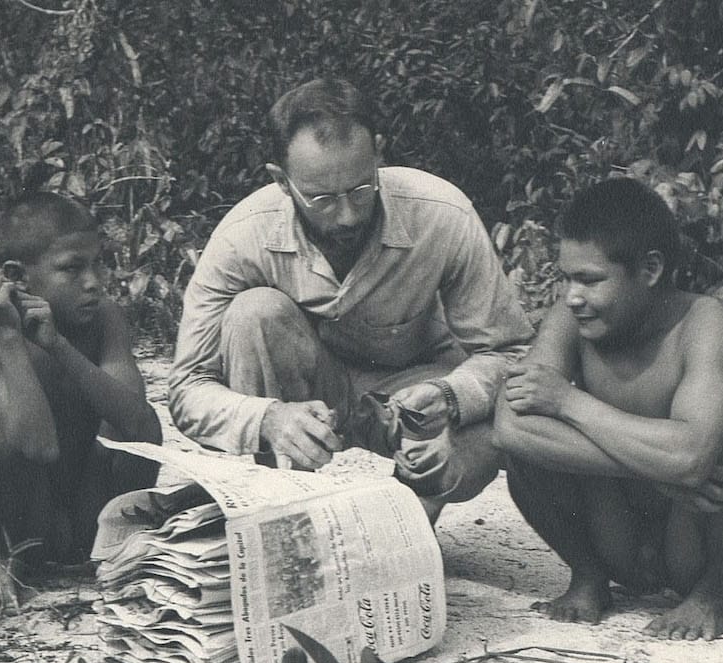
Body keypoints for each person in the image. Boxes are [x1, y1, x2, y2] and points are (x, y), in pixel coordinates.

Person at [168, 77, 531, 515]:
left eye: (360, 190)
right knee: (254, 313)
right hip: (304, 395)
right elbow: (188, 388)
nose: (346, 216)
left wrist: (450, 395)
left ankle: (408, 516)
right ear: (281, 180)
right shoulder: (242, 236)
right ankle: (278, 506)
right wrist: (268, 418)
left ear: (379, 153)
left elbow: (511, 352)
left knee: (485, 428)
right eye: (321, 199)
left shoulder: (442, 214)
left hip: (412, 400)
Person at [493, 177, 723, 640]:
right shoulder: (570, 319)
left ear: (650, 269)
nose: (572, 296)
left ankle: (718, 596)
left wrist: (568, 401)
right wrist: (654, 470)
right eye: (566, 278)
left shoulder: (709, 323)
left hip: (695, 540)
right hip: (615, 534)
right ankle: (588, 577)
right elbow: (510, 425)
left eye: (590, 280)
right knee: (526, 450)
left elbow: (692, 456)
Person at [0, 192, 162, 606]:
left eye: (97, 264)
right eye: (73, 268)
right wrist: (9, 335)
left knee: (126, 422)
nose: (93, 281)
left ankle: (120, 549)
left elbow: (142, 428)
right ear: (17, 277)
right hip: (26, 528)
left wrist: (60, 347)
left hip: (93, 518)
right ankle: (2, 566)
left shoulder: (105, 320)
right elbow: (38, 447)